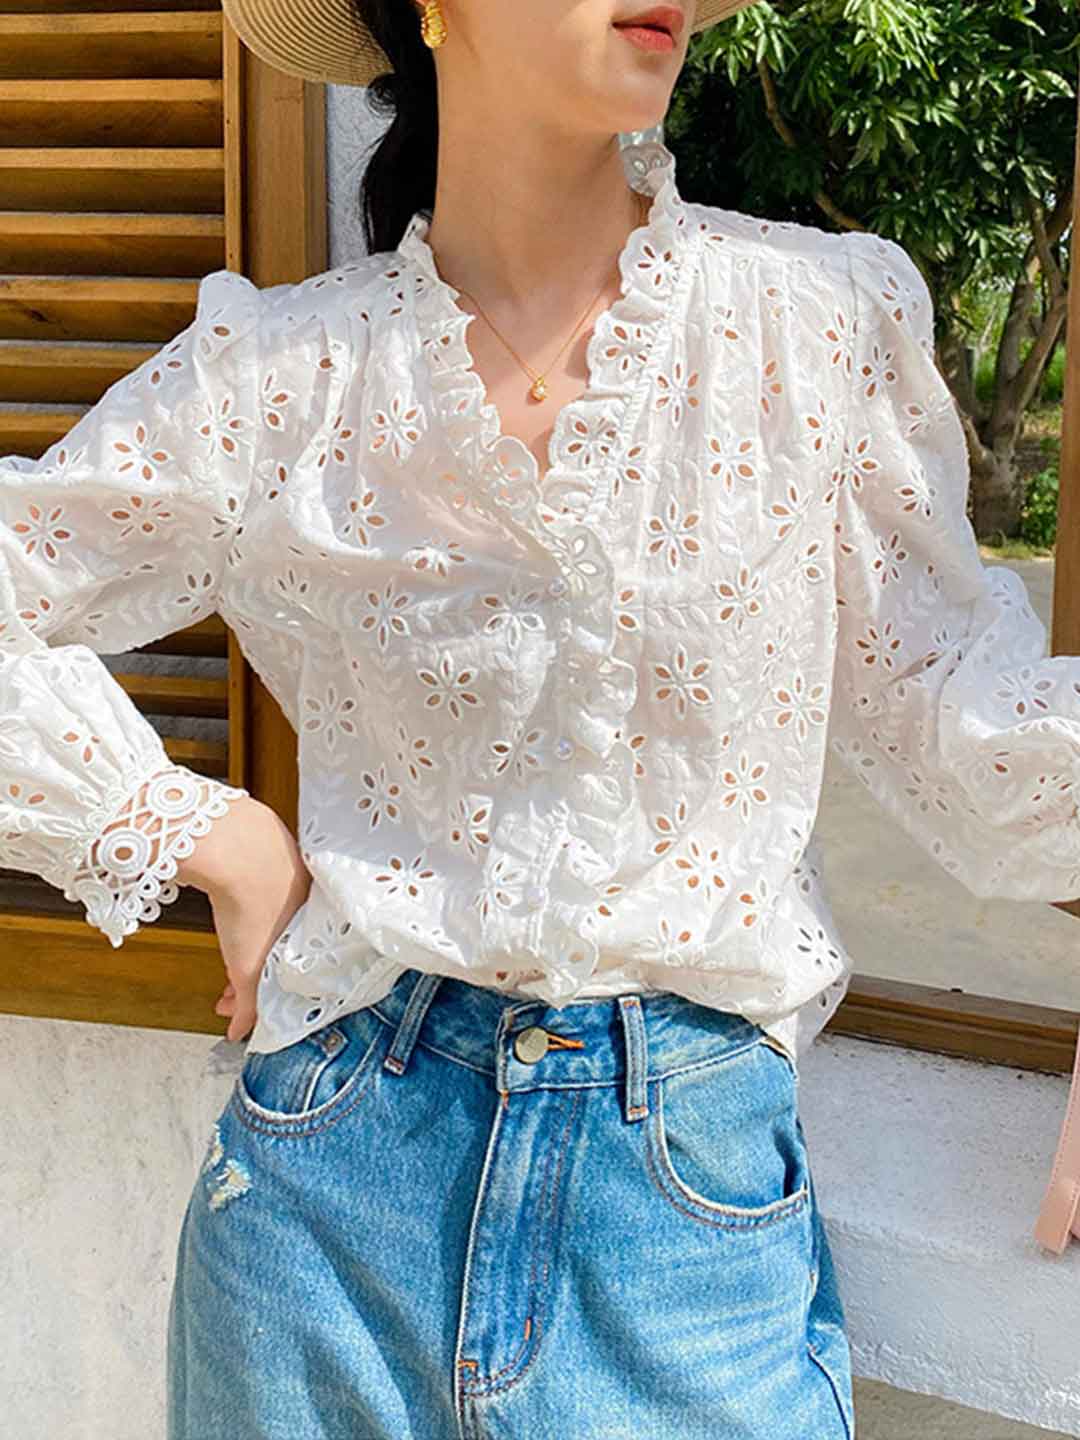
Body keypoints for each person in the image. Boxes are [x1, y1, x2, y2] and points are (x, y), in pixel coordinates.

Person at [4, 0, 1080, 1434]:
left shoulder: (813, 324)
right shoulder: (279, 376)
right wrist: (198, 830)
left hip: (686, 1231)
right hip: (325, 1202)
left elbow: (958, 711)